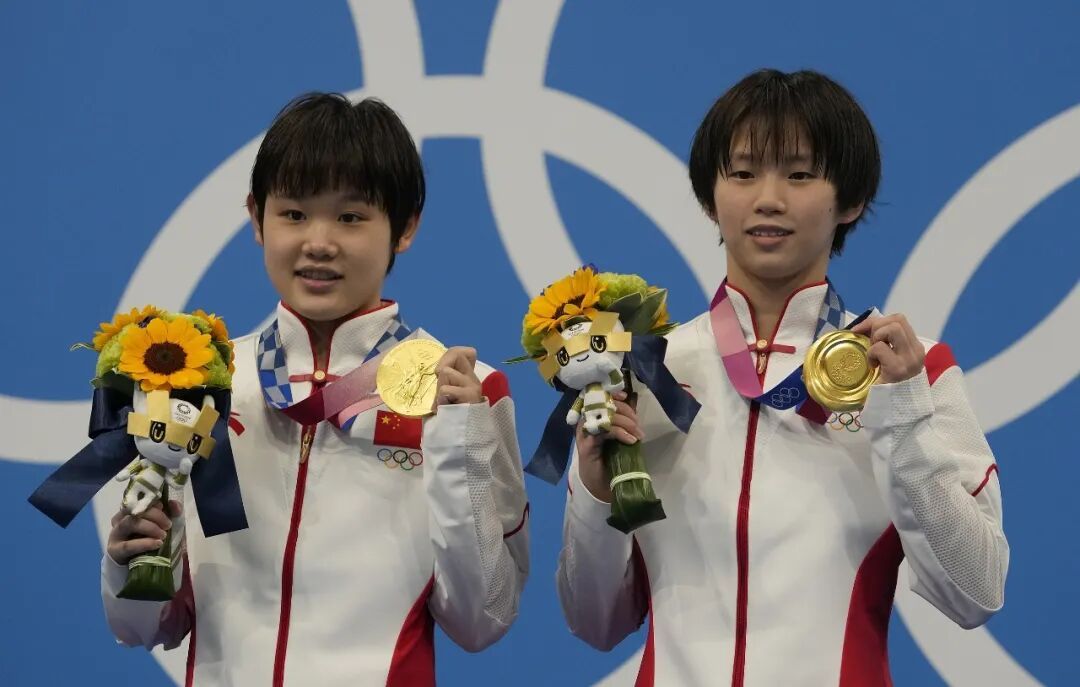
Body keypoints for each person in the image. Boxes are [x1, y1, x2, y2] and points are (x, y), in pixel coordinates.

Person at [556, 69, 1007, 686]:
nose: (768, 198)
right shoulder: (646, 372)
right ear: (709, 197)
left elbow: (975, 591)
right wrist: (593, 487)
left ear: (851, 200)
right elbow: (594, 622)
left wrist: (901, 415)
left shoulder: (908, 371)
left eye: (799, 175)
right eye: (743, 174)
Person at [101, 93, 530, 686]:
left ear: (405, 226)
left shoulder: (467, 394)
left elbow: (484, 619)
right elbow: (143, 628)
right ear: (256, 218)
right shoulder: (202, 385)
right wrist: (129, 562)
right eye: (295, 214)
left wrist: (461, 445)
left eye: (351, 217)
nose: (319, 242)